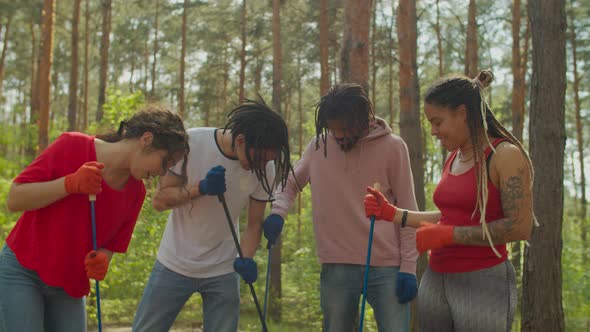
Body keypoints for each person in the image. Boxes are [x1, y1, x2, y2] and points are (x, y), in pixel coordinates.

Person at [364, 70, 534, 332]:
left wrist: (450, 235)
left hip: (483, 281)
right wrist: (392, 213)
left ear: (462, 112)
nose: (433, 132)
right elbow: (449, 218)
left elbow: (519, 227)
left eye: (437, 122)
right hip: (436, 277)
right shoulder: (454, 157)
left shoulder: (504, 155)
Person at [0, 105, 190, 332]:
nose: (162, 173)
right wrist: (69, 184)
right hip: (23, 271)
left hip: (69, 284)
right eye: (165, 162)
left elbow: (111, 245)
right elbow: (15, 198)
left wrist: (103, 258)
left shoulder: (136, 192)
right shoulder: (73, 145)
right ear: (146, 139)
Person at [265, 83, 419, 332]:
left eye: (345, 129)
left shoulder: (393, 147)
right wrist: (277, 213)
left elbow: (408, 210)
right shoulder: (319, 146)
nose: (338, 135)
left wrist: (409, 268)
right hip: (337, 264)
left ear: (363, 118)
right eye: (332, 129)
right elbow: (290, 184)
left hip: (387, 266)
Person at [132, 98, 293, 332]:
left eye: (269, 160)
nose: (264, 164)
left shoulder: (264, 168)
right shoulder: (191, 143)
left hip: (223, 270)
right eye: (259, 158)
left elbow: (254, 225)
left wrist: (246, 259)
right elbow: (160, 200)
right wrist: (201, 188)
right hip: (174, 262)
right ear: (240, 141)